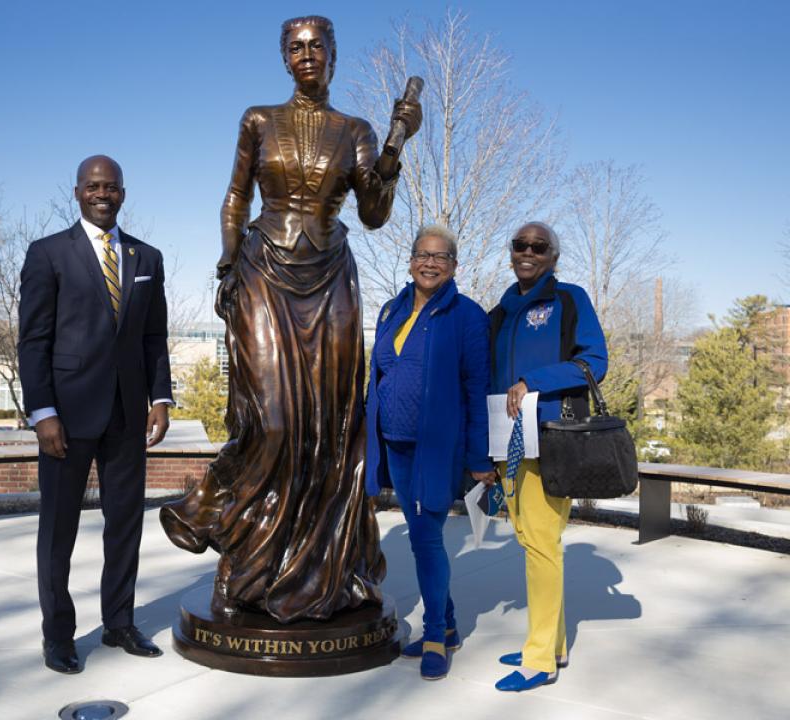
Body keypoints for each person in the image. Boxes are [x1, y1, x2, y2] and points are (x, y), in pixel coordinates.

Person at [160, 15, 421, 623]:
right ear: (285, 58)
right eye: (295, 48)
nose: (307, 56)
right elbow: (236, 196)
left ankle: (310, 570)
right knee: (273, 421)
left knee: (326, 429)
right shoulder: (259, 119)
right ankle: (224, 527)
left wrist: (394, 143)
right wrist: (228, 265)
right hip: (263, 270)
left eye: (317, 47)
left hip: (330, 276)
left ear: (333, 55)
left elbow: (375, 212)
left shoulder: (352, 129)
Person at [18, 155, 173, 674]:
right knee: (57, 530)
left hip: (129, 414)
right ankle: (58, 635)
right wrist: (42, 413)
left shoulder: (146, 257)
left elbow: (154, 337)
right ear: (78, 191)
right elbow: (34, 341)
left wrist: (160, 398)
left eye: (111, 187)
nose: (102, 194)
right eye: (93, 186)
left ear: (123, 194)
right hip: (65, 415)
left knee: (125, 525)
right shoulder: (48, 254)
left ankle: (120, 622)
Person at [364, 225, 495, 680]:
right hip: (394, 444)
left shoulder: (468, 317)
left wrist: (481, 458)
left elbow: (478, 391)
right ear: (411, 260)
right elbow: (378, 375)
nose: (430, 263)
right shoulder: (390, 310)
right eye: (423, 254)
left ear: (454, 266)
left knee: (425, 539)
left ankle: (436, 634)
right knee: (423, 536)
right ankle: (452, 625)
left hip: (436, 448)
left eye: (441, 257)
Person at [489, 221, 607, 691]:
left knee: (541, 544)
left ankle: (539, 660)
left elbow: (593, 361)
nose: (528, 252)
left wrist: (533, 381)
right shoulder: (500, 312)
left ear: (552, 257)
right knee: (528, 538)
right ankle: (552, 641)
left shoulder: (569, 299)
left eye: (539, 247)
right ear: (511, 252)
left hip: (553, 440)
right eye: (520, 245)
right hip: (505, 444)